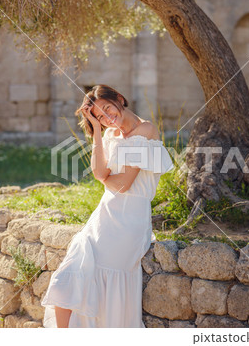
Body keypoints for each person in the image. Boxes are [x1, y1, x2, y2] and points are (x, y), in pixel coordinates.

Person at [40, 84, 174, 327]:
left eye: (107, 108)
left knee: (98, 280)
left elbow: (122, 185)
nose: (107, 117)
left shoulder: (145, 130)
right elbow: (100, 172)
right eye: (99, 116)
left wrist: (104, 179)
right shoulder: (111, 134)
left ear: (119, 99)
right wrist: (98, 131)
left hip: (129, 222)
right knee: (67, 278)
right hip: (103, 217)